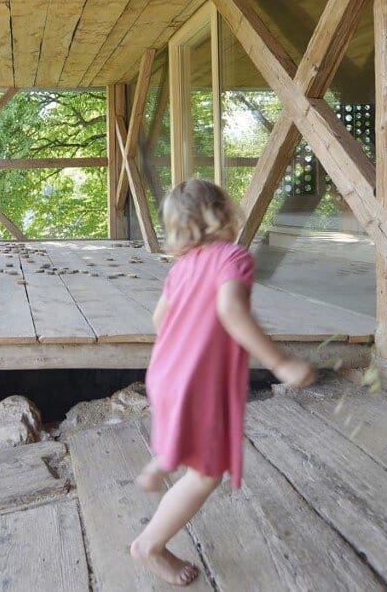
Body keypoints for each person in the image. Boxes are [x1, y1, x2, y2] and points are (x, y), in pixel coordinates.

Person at [130, 179, 315, 586]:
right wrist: (281, 362)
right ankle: (150, 546)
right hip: (198, 383)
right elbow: (231, 310)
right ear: (224, 214)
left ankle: (158, 466)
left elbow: (159, 320)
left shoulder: (181, 269)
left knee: (186, 432)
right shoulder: (234, 258)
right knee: (206, 474)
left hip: (165, 373)